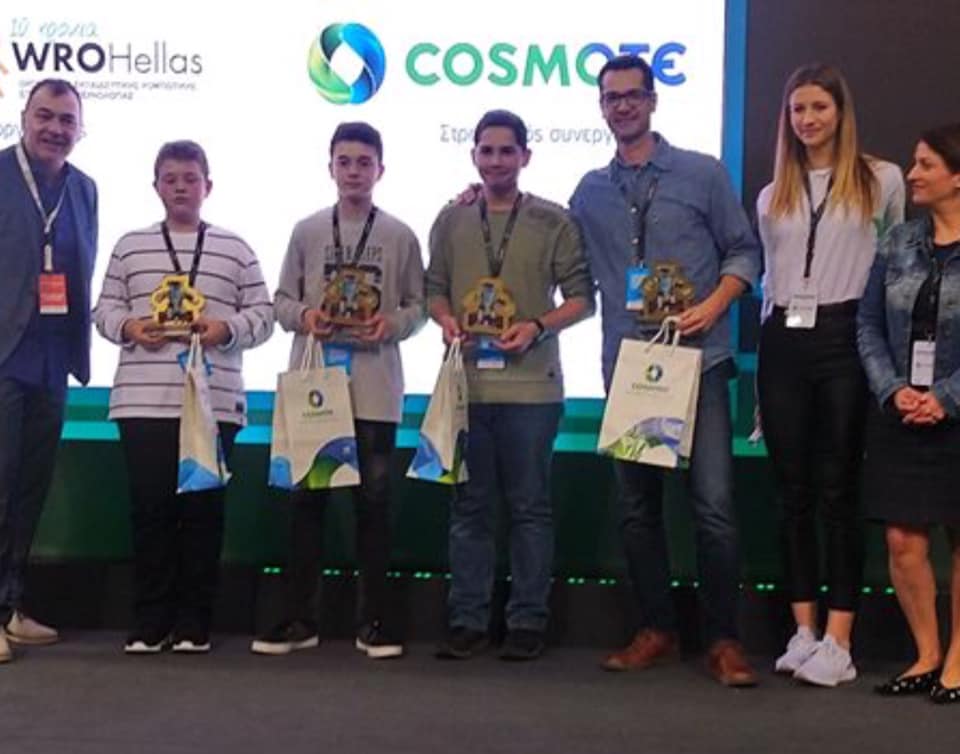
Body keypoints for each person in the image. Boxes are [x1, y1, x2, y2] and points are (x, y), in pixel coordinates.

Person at [569, 55, 761, 686]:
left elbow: (744, 251)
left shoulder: (702, 173)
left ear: (653, 101)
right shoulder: (589, 192)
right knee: (636, 510)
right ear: (601, 107)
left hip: (700, 363)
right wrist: (472, 199)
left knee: (714, 507)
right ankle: (656, 628)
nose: (622, 105)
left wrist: (715, 305)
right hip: (631, 368)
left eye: (633, 95)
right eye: (611, 97)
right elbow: (561, 257)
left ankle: (724, 641)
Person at [252, 122, 425, 659]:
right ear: (330, 167)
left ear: (380, 170)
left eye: (364, 162)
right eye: (344, 161)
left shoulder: (399, 234)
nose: (354, 171)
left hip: (375, 387)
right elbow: (281, 301)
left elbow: (419, 307)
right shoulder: (307, 231)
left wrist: (391, 324)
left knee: (373, 506)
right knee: (306, 505)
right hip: (315, 387)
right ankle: (300, 619)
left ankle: (374, 621)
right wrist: (306, 316)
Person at [755, 64, 905, 686]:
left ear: (840, 112)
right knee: (791, 493)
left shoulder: (881, 180)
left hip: (847, 335)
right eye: (798, 109)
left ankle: (841, 640)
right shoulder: (773, 194)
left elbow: (896, 266)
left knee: (839, 490)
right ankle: (803, 631)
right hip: (782, 340)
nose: (808, 119)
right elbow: (770, 280)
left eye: (818, 107)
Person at [427, 109, 594, 661]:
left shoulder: (554, 220)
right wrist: (445, 319)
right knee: (469, 509)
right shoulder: (451, 219)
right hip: (467, 389)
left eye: (506, 151)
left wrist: (537, 327)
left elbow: (582, 298)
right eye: (486, 150)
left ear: (525, 156)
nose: (496, 160)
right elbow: (434, 288)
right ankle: (467, 621)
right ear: (473, 155)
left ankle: (527, 621)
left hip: (532, 392)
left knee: (529, 509)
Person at [95, 140, 273, 653]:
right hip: (142, 401)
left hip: (214, 403)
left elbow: (263, 315)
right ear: (156, 187)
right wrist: (130, 326)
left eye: (190, 178)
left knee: (203, 513)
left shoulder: (236, 248)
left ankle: (195, 623)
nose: (180, 187)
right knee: (150, 512)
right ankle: (150, 622)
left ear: (207, 186)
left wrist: (226, 329)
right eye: (170, 179)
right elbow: (104, 310)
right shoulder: (129, 246)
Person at [857, 123, 960, 704]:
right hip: (899, 411)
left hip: (956, 412)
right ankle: (927, 654)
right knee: (902, 540)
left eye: (926, 165)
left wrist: (946, 397)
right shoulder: (898, 242)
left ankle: (959, 664)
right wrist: (892, 388)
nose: (912, 174)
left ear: (957, 177)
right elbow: (869, 323)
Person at [0, 79, 98, 664]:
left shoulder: (84, 188)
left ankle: (10, 604)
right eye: (45, 116)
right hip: (4, 356)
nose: (55, 129)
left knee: (30, 487)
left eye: (66, 120)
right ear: (24, 116)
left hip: (53, 359)